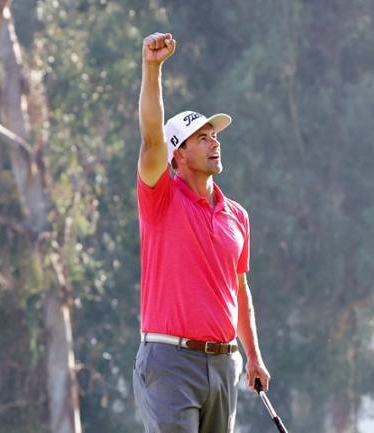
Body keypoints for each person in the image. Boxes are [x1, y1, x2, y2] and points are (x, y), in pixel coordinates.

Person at [132, 32, 271, 433]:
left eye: (215, 136)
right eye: (202, 138)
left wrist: (254, 356)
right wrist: (152, 68)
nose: (214, 143)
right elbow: (150, 137)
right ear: (178, 153)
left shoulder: (237, 215)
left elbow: (239, 291)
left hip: (223, 363)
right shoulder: (160, 198)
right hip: (170, 362)